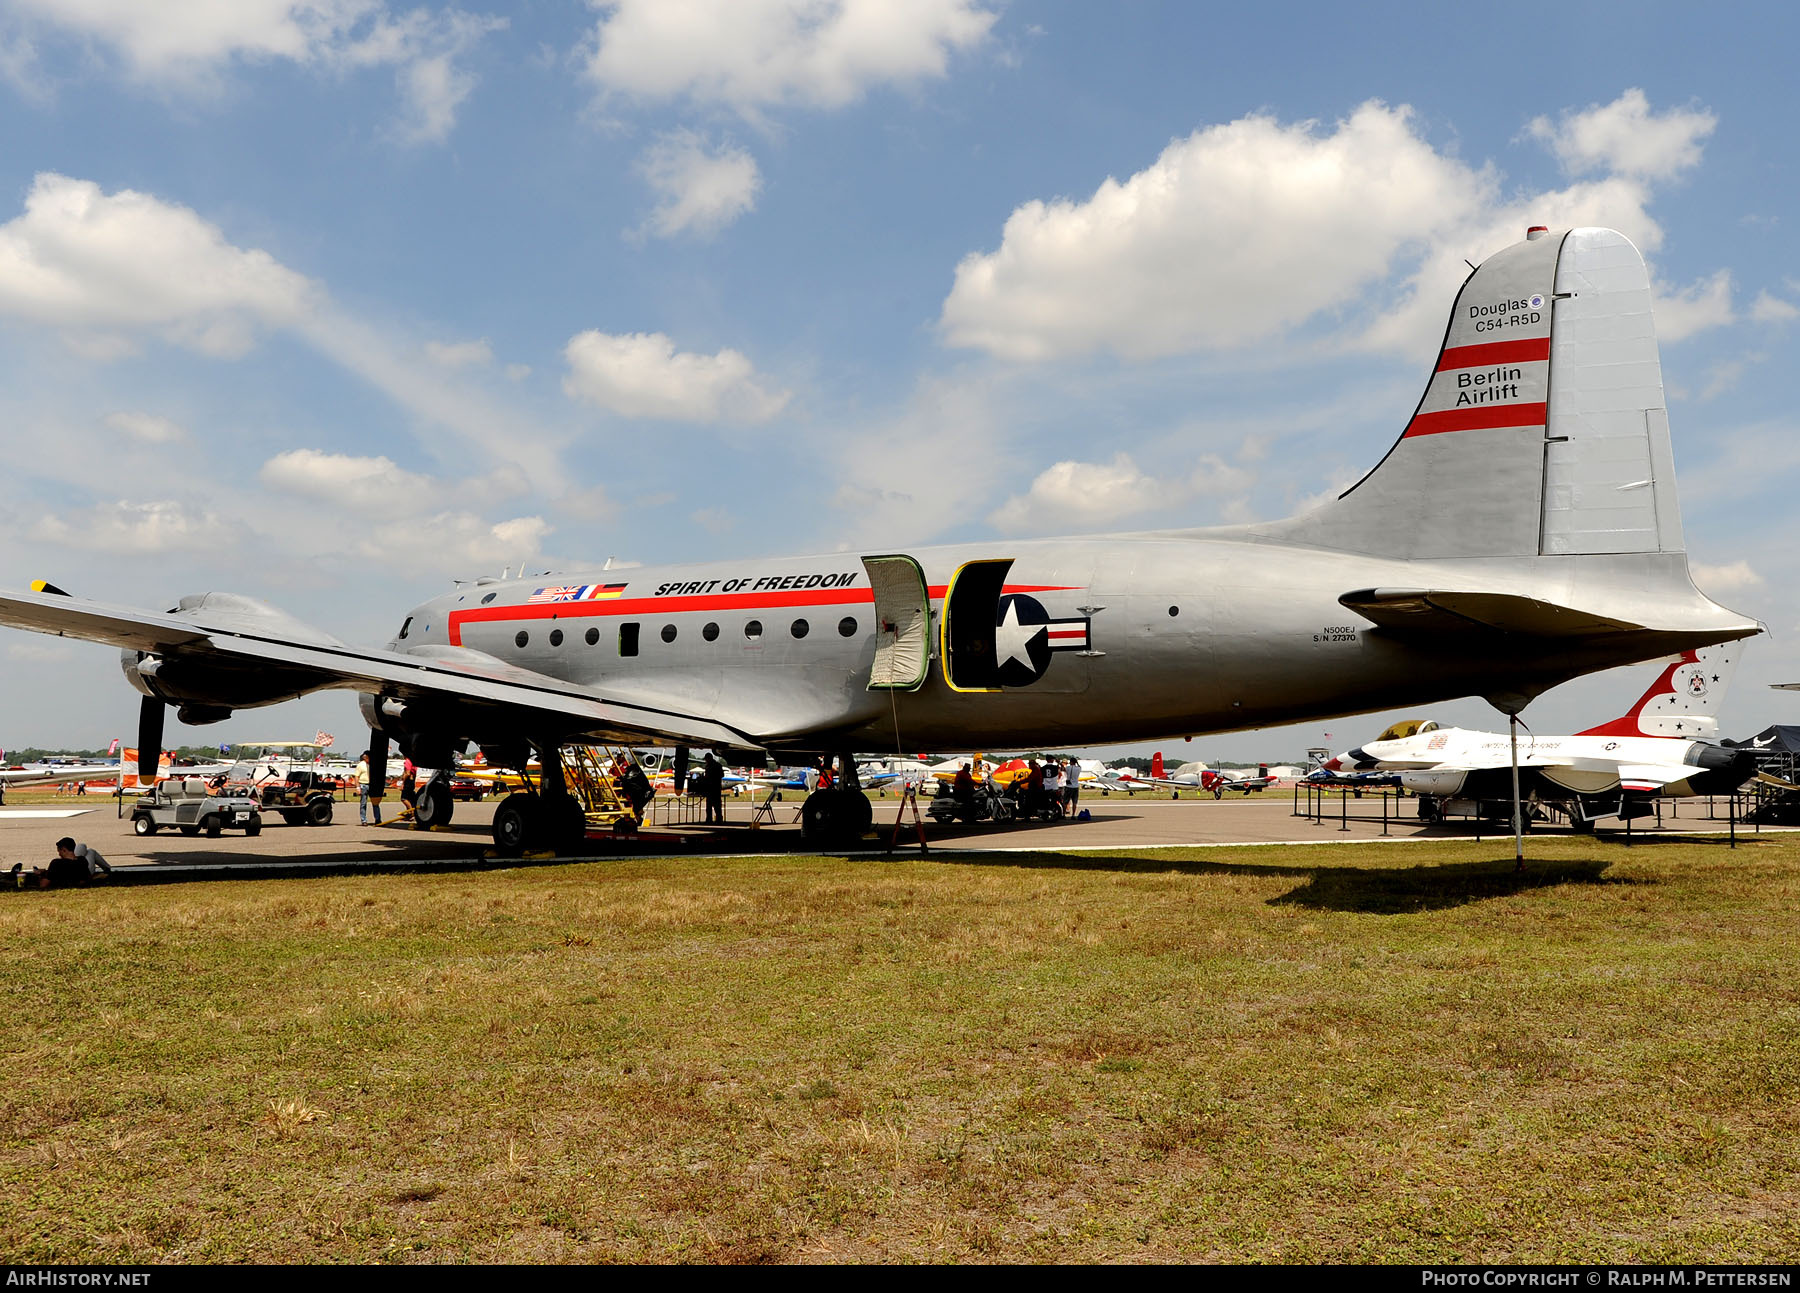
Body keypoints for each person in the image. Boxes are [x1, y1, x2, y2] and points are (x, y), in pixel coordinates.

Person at [16, 838, 111, 889]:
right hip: (79, 873)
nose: (59, 854)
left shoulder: (57, 863)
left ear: (64, 850)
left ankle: (107, 868)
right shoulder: (82, 861)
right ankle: (107, 868)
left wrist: (40, 875)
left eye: (59, 851)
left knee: (89, 851)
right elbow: (86, 878)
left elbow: (44, 884)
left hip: (67, 878)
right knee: (90, 851)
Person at [356, 752, 382, 826]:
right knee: (363, 804)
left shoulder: (374, 764)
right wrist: (358, 787)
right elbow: (356, 776)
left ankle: (378, 819)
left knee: (375, 803)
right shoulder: (361, 765)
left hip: (373, 785)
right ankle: (363, 820)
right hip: (363, 785)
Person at [701, 753, 724, 825]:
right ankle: (719, 819)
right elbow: (722, 775)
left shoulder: (708, 766)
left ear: (708, 758)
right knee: (717, 806)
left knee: (710, 806)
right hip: (716, 788)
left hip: (711, 788)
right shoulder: (718, 765)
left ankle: (709, 819)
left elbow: (707, 777)